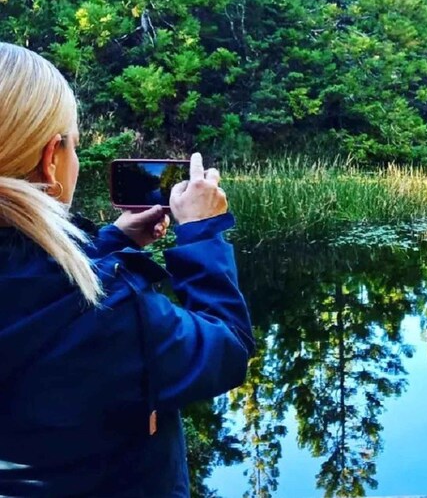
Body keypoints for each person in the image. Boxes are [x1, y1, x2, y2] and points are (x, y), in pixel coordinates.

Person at [0, 42, 255, 496]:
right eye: (73, 144)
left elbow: (29, 290)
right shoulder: (110, 315)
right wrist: (201, 234)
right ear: (50, 159)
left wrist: (113, 242)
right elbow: (228, 348)